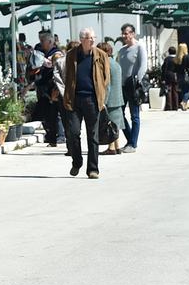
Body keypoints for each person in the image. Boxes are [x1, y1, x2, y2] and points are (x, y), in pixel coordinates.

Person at [63, 28, 110, 179]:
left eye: (93, 38)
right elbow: (67, 76)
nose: (93, 40)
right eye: (90, 38)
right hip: (75, 99)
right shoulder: (71, 55)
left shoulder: (101, 55)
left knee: (93, 136)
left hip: (92, 100)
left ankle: (93, 169)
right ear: (82, 39)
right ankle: (77, 161)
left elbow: (106, 78)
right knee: (73, 133)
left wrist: (101, 97)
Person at [116, 24, 147, 152]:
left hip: (133, 86)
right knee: (119, 114)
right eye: (123, 33)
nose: (124, 36)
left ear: (133, 34)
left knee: (134, 115)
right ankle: (129, 139)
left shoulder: (139, 47)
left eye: (127, 33)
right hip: (122, 86)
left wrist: (137, 81)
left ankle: (133, 144)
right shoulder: (122, 50)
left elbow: (143, 66)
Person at [33, 31, 63, 147]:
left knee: (55, 113)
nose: (41, 44)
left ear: (50, 42)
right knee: (48, 114)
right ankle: (52, 137)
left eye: (42, 41)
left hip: (54, 88)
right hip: (45, 88)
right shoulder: (44, 54)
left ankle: (60, 136)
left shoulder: (56, 54)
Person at [99, 41, 124, 155]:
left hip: (110, 100)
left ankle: (111, 147)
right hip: (118, 98)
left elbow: (107, 85)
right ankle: (117, 146)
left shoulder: (105, 65)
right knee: (115, 124)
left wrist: (103, 101)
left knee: (109, 124)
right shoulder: (116, 63)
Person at [176, 42, 189, 109]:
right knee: (187, 90)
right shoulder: (186, 56)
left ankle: (184, 105)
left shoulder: (177, 58)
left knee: (182, 90)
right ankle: (184, 102)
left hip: (179, 76)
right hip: (187, 76)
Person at [162, 47, 180, 111]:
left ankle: (169, 106)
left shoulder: (167, 59)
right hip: (176, 75)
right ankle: (176, 106)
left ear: (169, 52)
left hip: (168, 75)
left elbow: (164, 69)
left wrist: (163, 78)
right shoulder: (177, 58)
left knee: (168, 90)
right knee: (175, 91)